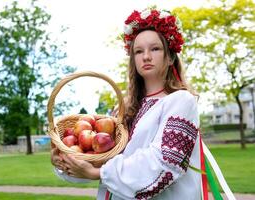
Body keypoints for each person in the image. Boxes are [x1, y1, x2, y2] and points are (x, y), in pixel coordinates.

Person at [51, 7, 203, 200]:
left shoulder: (181, 101)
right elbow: (101, 160)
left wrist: (98, 174)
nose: (146, 56)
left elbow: (165, 162)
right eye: (139, 51)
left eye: (155, 49)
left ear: (170, 56)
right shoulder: (124, 108)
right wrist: (65, 162)